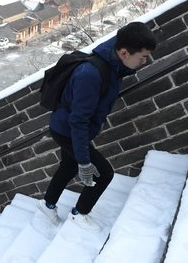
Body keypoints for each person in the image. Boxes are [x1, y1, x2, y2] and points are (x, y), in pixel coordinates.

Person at [38, 22, 157, 231]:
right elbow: (78, 121)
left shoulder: (114, 59)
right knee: (104, 174)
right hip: (68, 130)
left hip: (64, 126)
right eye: (142, 57)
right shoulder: (90, 74)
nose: (144, 62)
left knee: (67, 166)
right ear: (123, 52)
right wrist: (84, 162)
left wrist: (138, 57)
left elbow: (122, 66)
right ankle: (79, 214)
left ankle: (47, 206)